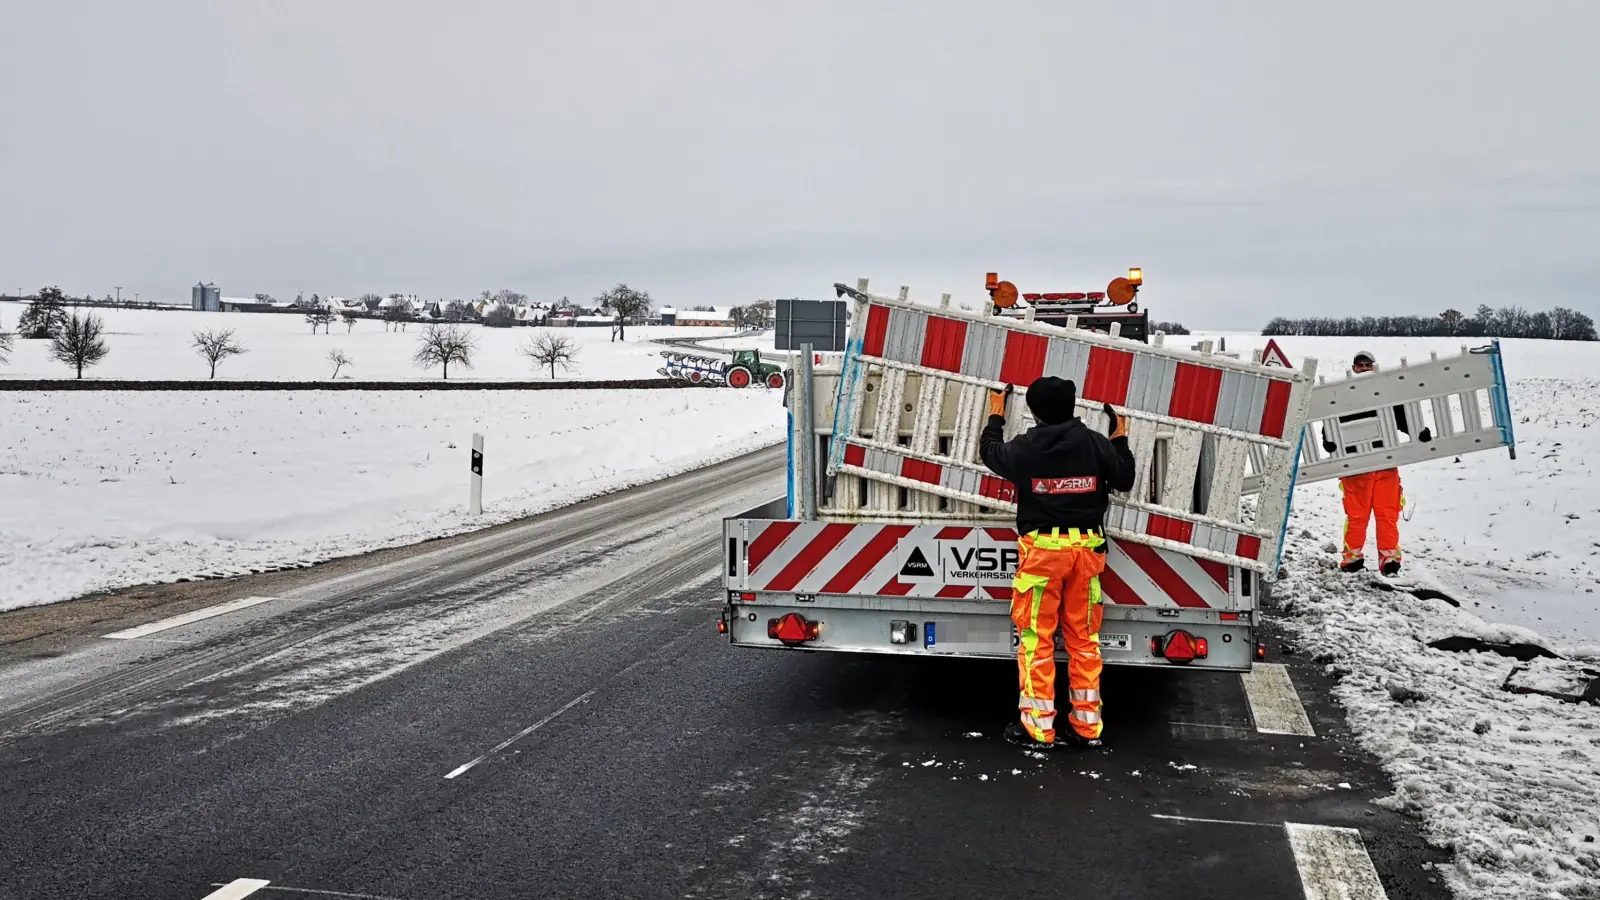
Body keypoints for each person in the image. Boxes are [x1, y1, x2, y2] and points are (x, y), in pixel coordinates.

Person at [979, 376, 1135, 751]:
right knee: (1084, 641)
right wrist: (1120, 436)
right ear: (1073, 406)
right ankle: (1086, 727)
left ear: (1033, 412)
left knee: (1036, 639)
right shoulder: (1094, 443)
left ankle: (1038, 730)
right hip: (1087, 553)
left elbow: (990, 452)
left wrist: (996, 416)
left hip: (1043, 555)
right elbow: (1125, 478)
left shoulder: (1027, 448)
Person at [1323, 350, 1431, 576]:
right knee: (1357, 517)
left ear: (1374, 367)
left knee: (1387, 514)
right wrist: (1329, 443)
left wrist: (1418, 433)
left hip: (1385, 465)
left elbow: (1402, 419)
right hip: (1355, 469)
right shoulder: (1344, 397)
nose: (1363, 368)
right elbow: (1329, 428)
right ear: (1353, 369)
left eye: (1367, 365)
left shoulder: (1385, 395)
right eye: (1359, 365)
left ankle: (1389, 560)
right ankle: (1351, 559)